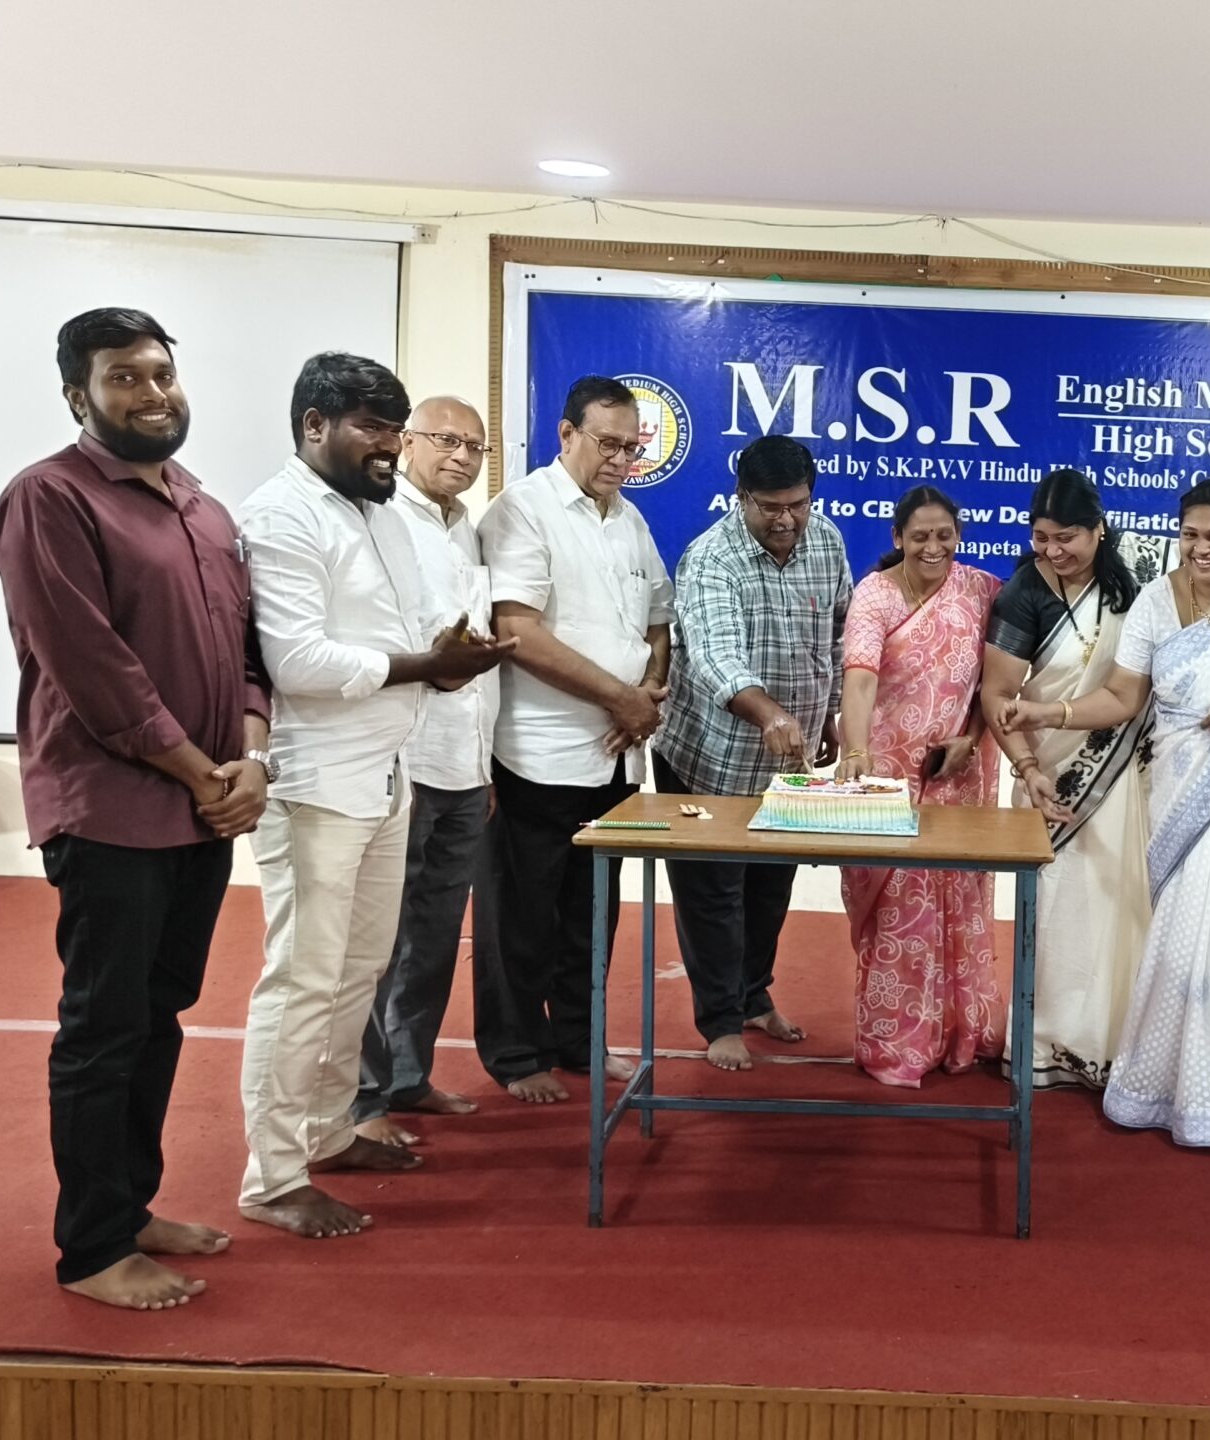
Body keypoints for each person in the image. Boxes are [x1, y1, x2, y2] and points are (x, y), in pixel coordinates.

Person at [0, 307, 271, 1311]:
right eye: (124, 377)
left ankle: (131, 1206)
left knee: (159, 1016)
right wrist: (202, 772)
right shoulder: (49, 498)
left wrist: (251, 757)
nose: (152, 393)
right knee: (104, 1027)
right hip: (111, 808)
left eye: (160, 373)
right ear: (79, 394)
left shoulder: (202, 507)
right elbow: (93, 669)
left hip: (206, 807)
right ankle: (93, 1247)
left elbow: (246, 651)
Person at [234, 353, 513, 1239]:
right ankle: (273, 1178)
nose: (389, 446)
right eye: (372, 428)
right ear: (314, 425)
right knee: (302, 981)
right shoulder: (279, 515)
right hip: (316, 780)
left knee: (359, 971)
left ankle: (330, 1129)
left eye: (395, 428)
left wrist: (453, 655)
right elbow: (296, 662)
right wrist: (426, 664)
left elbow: (408, 633)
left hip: (390, 769)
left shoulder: (380, 511)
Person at [1007, 479, 1210, 1145]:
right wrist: (1049, 712)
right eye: (1190, 535)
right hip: (1173, 787)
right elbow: (1123, 697)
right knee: (1178, 930)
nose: (1201, 549)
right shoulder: (1155, 598)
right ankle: (1164, 1081)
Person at [476, 376, 673, 1103]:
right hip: (538, 753)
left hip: (616, 758)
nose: (621, 459)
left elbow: (658, 622)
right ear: (566, 434)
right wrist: (620, 698)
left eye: (631, 447)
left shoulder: (630, 519)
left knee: (591, 915)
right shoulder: (522, 510)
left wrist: (646, 691)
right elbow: (517, 632)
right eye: (606, 443)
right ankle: (515, 1053)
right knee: (521, 918)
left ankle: (578, 1038)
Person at [655, 434, 854, 1072]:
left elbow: (839, 633)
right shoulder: (711, 558)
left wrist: (829, 712)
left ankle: (754, 996)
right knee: (714, 893)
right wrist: (770, 713)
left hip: (787, 762)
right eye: (770, 507)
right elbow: (715, 656)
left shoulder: (827, 542)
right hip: (709, 758)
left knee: (770, 887)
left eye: (797, 504)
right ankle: (720, 1022)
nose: (786, 519)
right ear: (742, 497)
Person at [977, 469, 1174, 1091]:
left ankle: (1117, 1047)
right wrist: (1029, 768)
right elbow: (997, 696)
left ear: (1100, 530)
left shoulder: (1138, 580)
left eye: (1067, 538)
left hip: (1126, 776)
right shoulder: (1023, 594)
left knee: (1122, 903)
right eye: (1041, 537)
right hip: (1050, 777)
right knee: (1060, 910)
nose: (1053, 550)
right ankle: (1046, 1044)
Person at [352, 397, 500, 1147]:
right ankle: (362, 1100)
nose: (462, 457)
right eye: (447, 440)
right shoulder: (380, 521)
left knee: (436, 936)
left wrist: (487, 762)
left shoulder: (467, 528)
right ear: (407, 442)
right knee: (379, 938)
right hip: (403, 757)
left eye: (475, 446)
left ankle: (409, 1075)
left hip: (465, 764)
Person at [836, 487, 1005, 1086]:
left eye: (944, 536)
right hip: (887, 777)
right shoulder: (875, 594)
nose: (933, 547)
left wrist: (972, 738)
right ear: (898, 538)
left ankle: (962, 1034)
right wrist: (856, 754)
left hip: (958, 773)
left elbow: (997, 685)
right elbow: (860, 680)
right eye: (920, 536)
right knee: (898, 915)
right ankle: (898, 1042)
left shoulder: (983, 591)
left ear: (958, 535)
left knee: (959, 903)